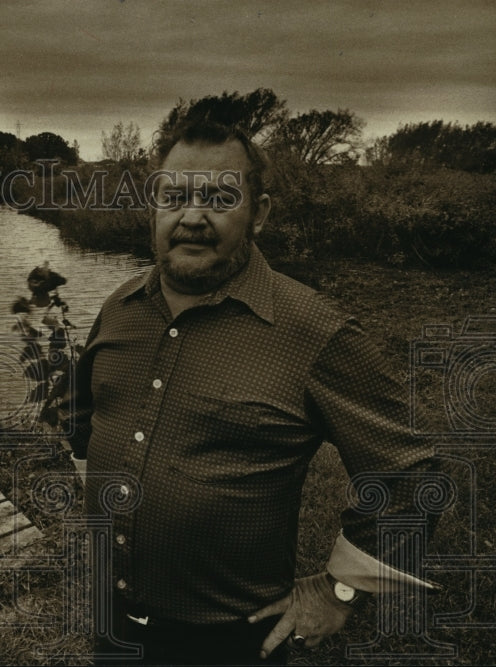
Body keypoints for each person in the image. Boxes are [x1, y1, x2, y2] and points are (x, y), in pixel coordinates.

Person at [66, 119, 441, 665]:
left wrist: (341, 589)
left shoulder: (315, 332)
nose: (192, 218)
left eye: (219, 197)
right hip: (115, 625)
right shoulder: (119, 309)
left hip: (230, 643)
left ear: (259, 213)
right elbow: (83, 417)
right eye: (174, 197)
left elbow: (411, 474)